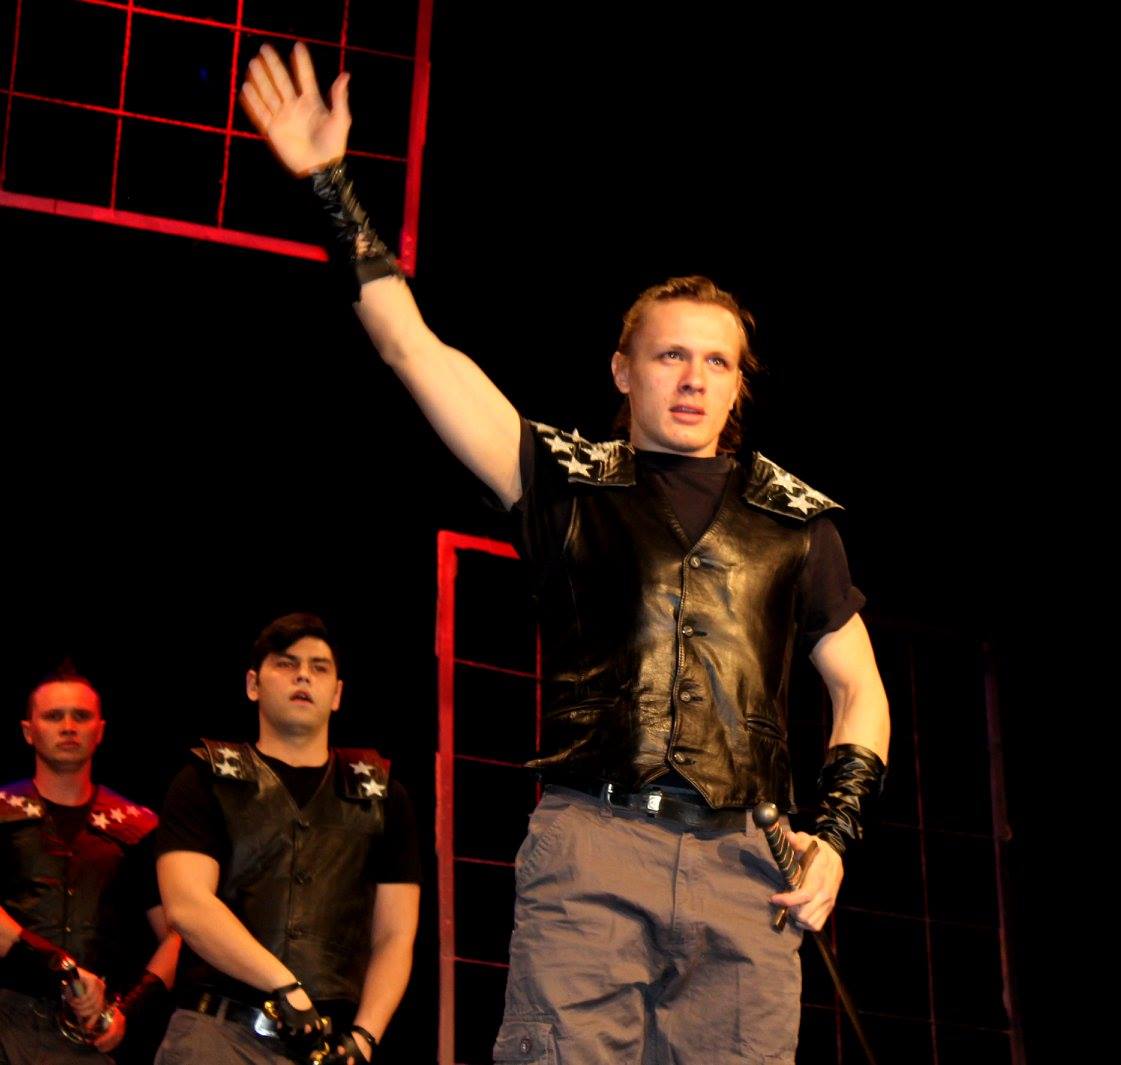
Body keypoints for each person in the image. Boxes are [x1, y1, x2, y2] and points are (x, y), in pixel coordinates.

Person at [240, 44, 890, 1064]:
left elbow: (858, 691)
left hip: (744, 864)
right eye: (670, 354)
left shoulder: (794, 521)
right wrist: (330, 185)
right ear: (623, 370)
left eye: (715, 361)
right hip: (595, 846)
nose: (693, 377)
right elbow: (413, 348)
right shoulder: (562, 481)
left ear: (737, 384)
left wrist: (835, 840)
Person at [153, 613, 421, 1065]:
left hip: (328, 1048)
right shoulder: (205, 779)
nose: (303, 676)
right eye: (286, 663)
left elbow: (395, 935)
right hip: (217, 1035)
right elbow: (187, 905)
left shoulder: (382, 796)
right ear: (253, 684)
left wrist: (365, 1037)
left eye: (319, 667)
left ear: (337, 693)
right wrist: (283, 984)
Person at [0, 666, 180, 1065]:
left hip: (88, 1030)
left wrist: (128, 1011)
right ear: (28, 731)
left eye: (80, 716)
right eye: (53, 716)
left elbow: (179, 933)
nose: (68, 727)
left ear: (100, 731)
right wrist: (60, 968)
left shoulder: (138, 826)